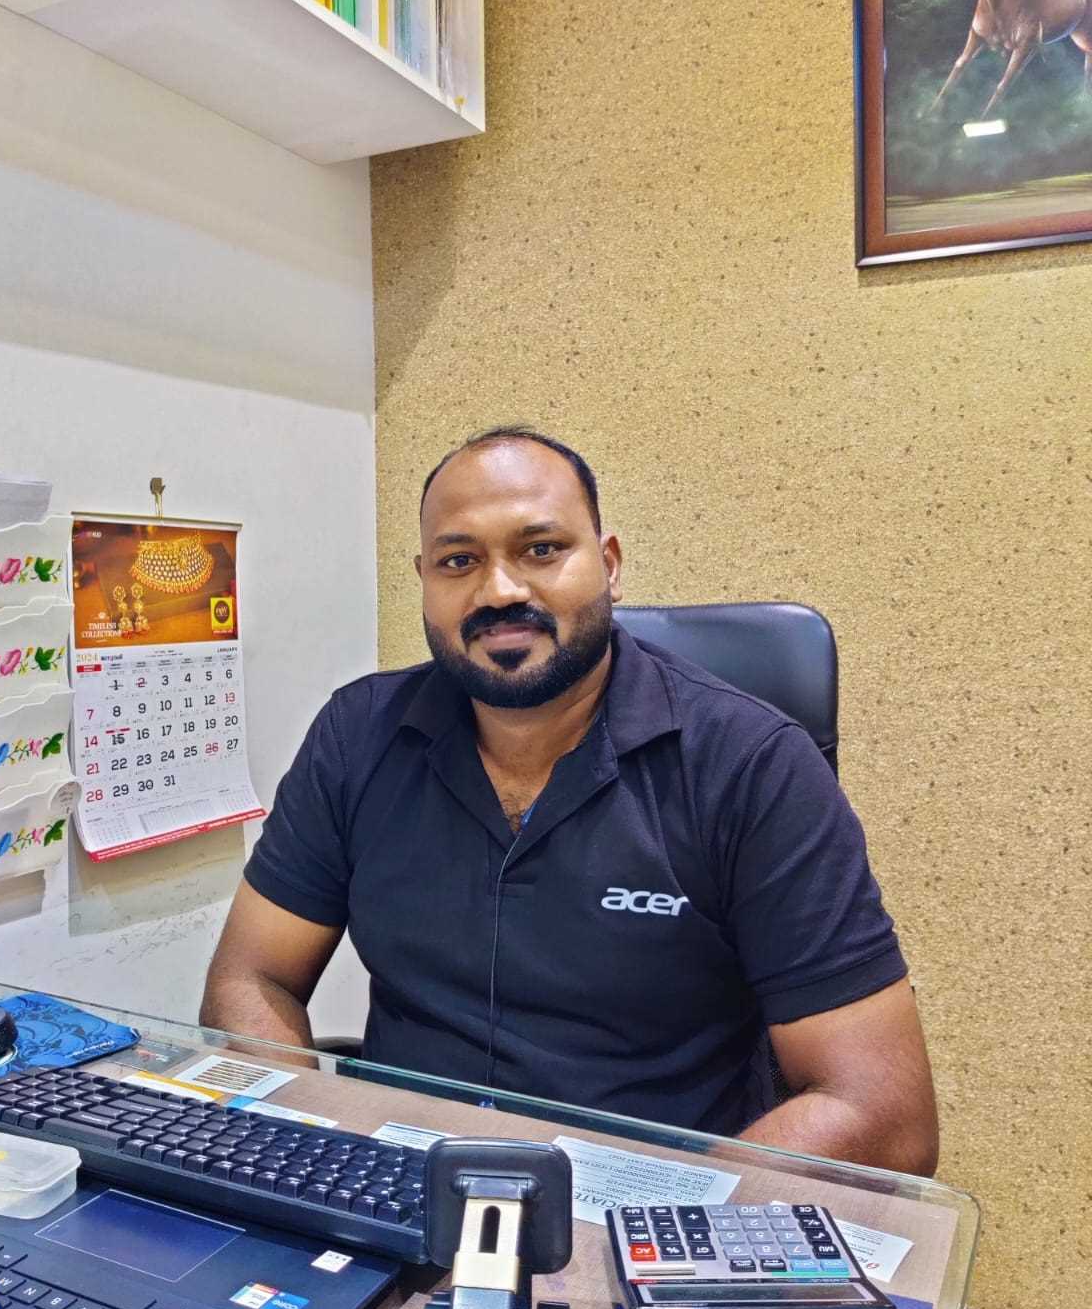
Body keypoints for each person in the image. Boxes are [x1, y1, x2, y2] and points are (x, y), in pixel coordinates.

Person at [201, 428, 939, 1173]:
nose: (499, 591)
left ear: (609, 565)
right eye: (459, 561)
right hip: (401, 1184)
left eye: (541, 549)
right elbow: (252, 977)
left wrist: (657, 1220)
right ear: (424, 580)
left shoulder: (752, 765)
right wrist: (305, 1153)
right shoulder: (358, 735)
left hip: (648, 1203)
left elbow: (880, 1115)